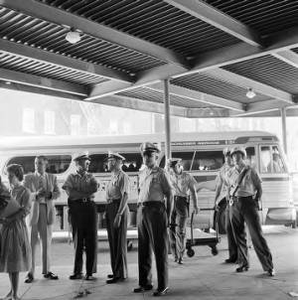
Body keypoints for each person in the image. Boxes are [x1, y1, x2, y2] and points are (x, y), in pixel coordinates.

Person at [227, 146, 275, 276]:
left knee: (256, 235)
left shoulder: (251, 171)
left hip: (248, 203)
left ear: (243, 156)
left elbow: (259, 188)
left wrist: (256, 200)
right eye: (233, 156)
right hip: (234, 204)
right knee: (239, 236)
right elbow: (229, 188)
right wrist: (230, 202)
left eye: (238, 156)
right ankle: (243, 264)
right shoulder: (230, 172)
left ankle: (268, 266)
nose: (235, 159)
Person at [133, 142, 173, 297]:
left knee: (159, 249)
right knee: (143, 249)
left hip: (156, 210)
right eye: (144, 154)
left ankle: (163, 285)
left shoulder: (161, 173)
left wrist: (168, 216)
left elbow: (170, 195)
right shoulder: (142, 173)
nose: (146, 157)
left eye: (149, 155)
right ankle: (145, 283)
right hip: (142, 210)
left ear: (156, 156)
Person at [23, 155, 60, 283]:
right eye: (35, 163)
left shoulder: (52, 177)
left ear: (46, 164)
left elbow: (58, 193)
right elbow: (25, 194)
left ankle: (46, 271)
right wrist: (35, 194)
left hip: (46, 210)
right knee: (31, 244)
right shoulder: (28, 178)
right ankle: (30, 273)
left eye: (39, 163)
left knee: (46, 243)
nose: (37, 165)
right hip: (33, 212)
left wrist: (50, 194)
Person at [62, 154, 98, 280]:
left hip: (90, 208)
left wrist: (78, 191)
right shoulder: (71, 176)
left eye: (88, 162)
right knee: (78, 240)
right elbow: (70, 193)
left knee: (91, 240)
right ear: (77, 164)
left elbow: (94, 188)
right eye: (85, 162)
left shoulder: (91, 176)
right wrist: (85, 192)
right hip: (76, 209)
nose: (88, 164)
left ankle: (90, 272)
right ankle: (78, 271)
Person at [0, 165, 31, 300]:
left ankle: (15, 294)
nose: (8, 178)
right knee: (9, 259)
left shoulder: (25, 191)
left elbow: (25, 211)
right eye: (7, 175)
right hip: (7, 227)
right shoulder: (8, 191)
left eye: (11, 175)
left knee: (15, 260)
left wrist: (9, 219)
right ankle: (12, 290)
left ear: (18, 175)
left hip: (17, 228)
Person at [167, 158, 199, 264]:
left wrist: (196, 206)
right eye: (171, 168)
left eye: (174, 167)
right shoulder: (170, 174)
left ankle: (181, 255)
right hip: (172, 202)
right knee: (171, 228)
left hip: (182, 202)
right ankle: (175, 255)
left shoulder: (187, 176)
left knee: (180, 230)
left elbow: (194, 192)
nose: (173, 170)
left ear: (179, 165)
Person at [105, 152, 129, 284]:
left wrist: (119, 214)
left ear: (115, 162)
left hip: (118, 208)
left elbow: (125, 196)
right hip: (111, 208)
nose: (107, 164)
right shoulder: (113, 176)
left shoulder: (122, 176)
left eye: (109, 161)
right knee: (113, 242)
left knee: (119, 242)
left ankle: (120, 273)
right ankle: (116, 270)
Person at [214, 148, 238, 263]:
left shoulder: (238, 169)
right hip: (229, 201)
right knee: (229, 228)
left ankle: (241, 257)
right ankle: (233, 256)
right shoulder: (223, 169)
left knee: (238, 230)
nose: (227, 160)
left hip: (238, 201)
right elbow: (219, 186)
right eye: (225, 158)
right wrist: (216, 200)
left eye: (229, 158)